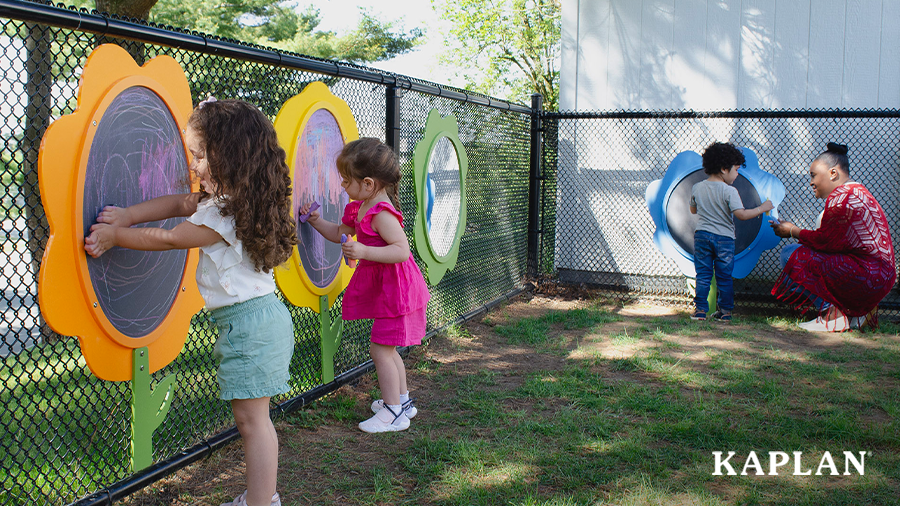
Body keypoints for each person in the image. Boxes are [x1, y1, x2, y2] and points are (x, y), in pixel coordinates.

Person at [84, 98, 296, 506]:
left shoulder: (225, 216)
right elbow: (179, 203)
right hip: (255, 322)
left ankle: (262, 501)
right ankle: (260, 497)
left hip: (250, 326)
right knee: (251, 419)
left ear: (228, 155)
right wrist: (126, 216)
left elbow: (169, 238)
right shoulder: (234, 201)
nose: (193, 165)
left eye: (199, 155)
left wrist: (115, 236)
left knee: (254, 423)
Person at [300, 137, 430, 433]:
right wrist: (316, 221)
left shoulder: (380, 213)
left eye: (347, 181)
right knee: (388, 348)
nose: (343, 187)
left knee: (380, 349)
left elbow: (402, 250)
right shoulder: (360, 206)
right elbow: (337, 232)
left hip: (398, 290)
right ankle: (403, 402)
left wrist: (363, 251)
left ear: (368, 184)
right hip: (391, 289)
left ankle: (393, 412)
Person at [770, 142, 895, 332]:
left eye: (813, 175)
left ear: (833, 174)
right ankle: (853, 316)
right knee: (805, 255)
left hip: (868, 275)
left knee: (791, 253)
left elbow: (825, 242)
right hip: (880, 277)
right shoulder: (857, 192)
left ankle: (833, 316)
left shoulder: (842, 196)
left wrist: (792, 230)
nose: (811, 182)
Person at [690, 142, 774, 322]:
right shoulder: (730, 191)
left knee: (703, 274)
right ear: (723, 169)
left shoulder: (697, 187)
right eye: (735, 170)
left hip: (702, 235)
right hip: (724, 239)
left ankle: (700, 311)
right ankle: (725, 312)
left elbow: (693, 210)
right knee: (724, 276)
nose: (737, 174)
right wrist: (762, 208)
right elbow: (741, 215)